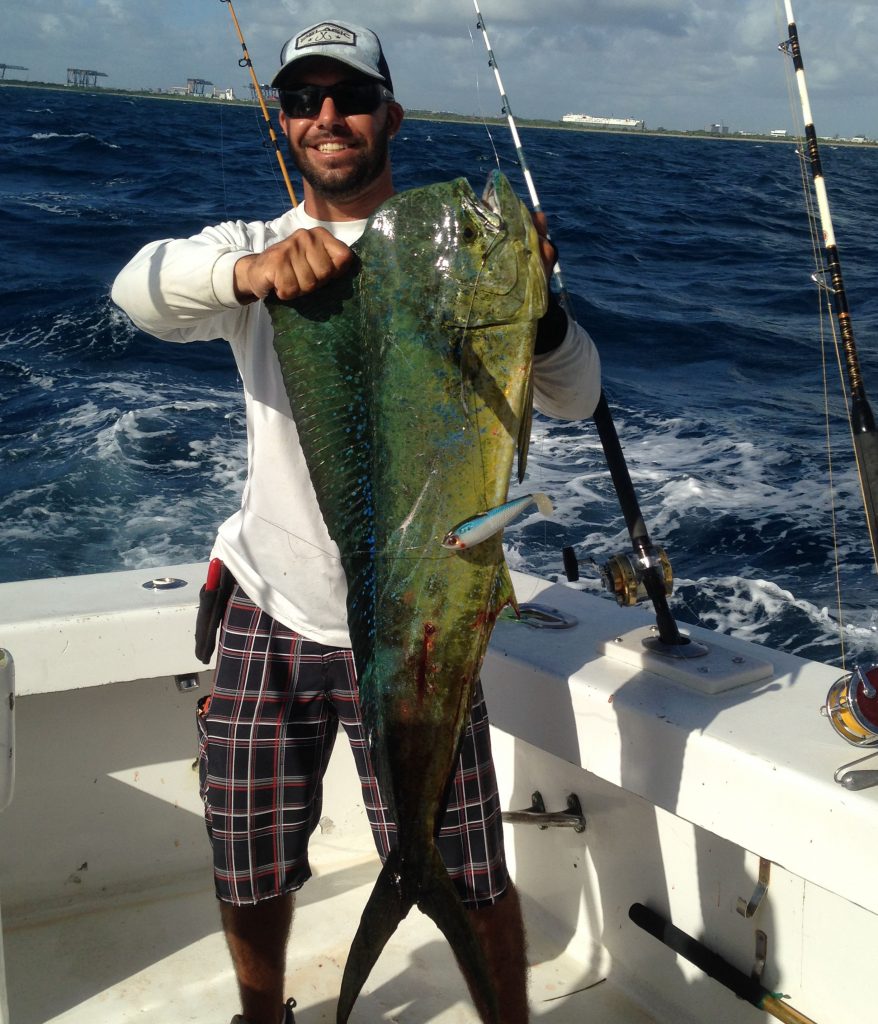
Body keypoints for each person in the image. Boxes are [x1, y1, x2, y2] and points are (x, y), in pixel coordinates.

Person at [111, 20, 601, 1024]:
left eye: (349, 97)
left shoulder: (461, 260)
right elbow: (136, 289)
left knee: (465, 867)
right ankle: (263, 1015)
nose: (326, 117)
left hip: (423, 621)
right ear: (285, 123)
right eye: (303, 101)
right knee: (247, 862)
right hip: (269, 610)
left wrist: (535, 306)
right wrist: (242, 277)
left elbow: (577, 394)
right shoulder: (254, 249)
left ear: (390, 114)